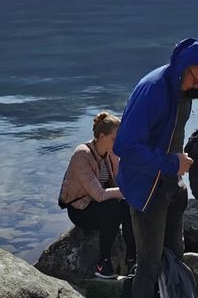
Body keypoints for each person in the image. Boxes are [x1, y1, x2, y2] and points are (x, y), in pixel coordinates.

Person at [114, 38, 198, 298]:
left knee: (176, 258)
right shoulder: (153, 90)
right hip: (146, 191)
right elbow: (125, 146)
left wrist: (178, 167)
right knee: (150, 265)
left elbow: (173, 134)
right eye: (196, 79)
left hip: (171, 185)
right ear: (184, 66)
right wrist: (172, 162)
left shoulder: (183, 89)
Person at [58, 111, 137, 280]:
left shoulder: (110, 153)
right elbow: (99, 195)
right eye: (115, 139)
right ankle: (103, 263)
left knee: (126, 205)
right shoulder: (82, 154)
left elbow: (121, 180)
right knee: (114, 206)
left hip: (99, 205)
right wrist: (128, 191)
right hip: (81, 210)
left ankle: (133, 260)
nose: (118, 143)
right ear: (102, 136)